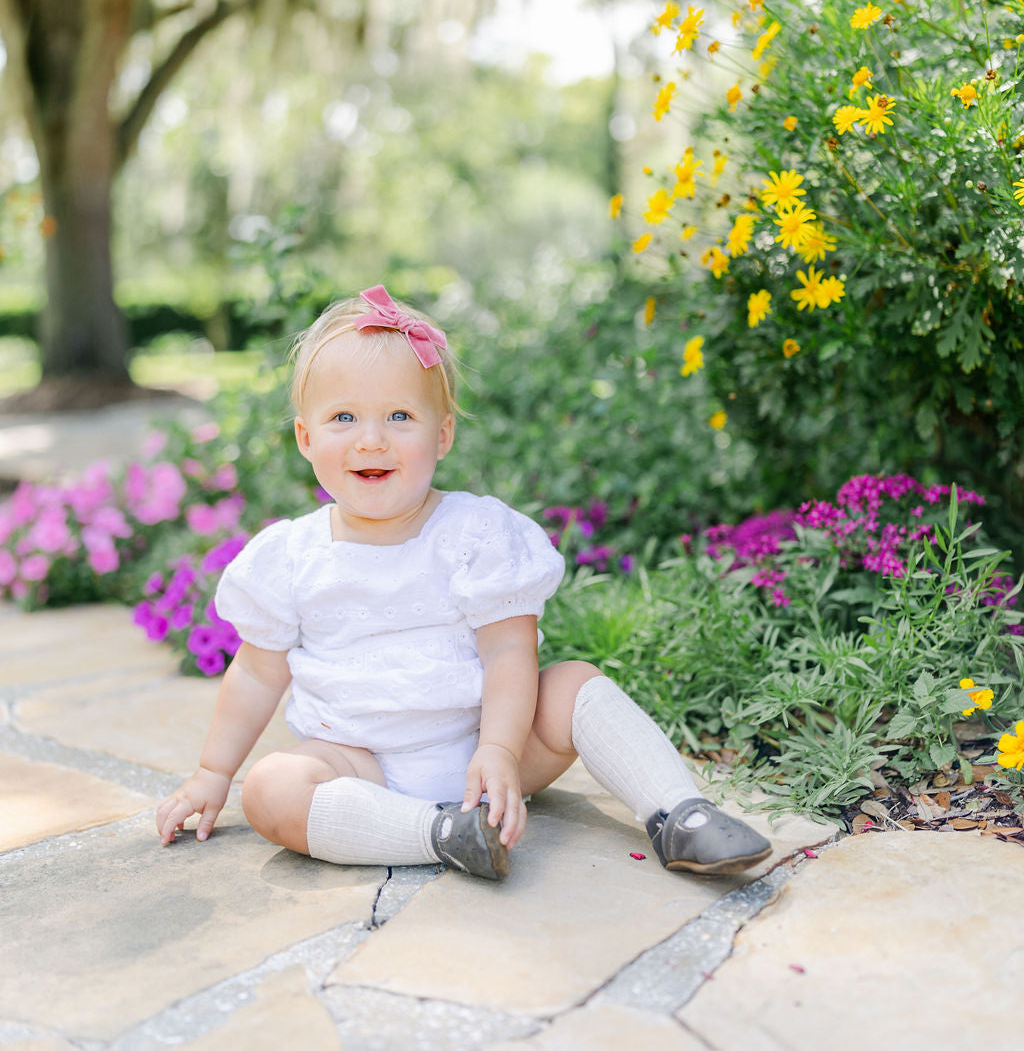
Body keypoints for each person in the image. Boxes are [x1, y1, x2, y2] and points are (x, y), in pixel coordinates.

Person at [155, 285, 771, 879]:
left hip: (484, 749)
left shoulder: (474, 534)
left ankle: (677, 810)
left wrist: (500, 750)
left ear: (442, 433)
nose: (372, 438)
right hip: (357, 764)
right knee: (271, 789)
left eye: (401, 415)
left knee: (575, 684)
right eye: (344, 417)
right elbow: (260, 672)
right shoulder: (291, 556)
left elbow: (508, 650)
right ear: (305, 438)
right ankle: (442, 834)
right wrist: (213, 772)